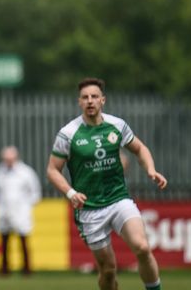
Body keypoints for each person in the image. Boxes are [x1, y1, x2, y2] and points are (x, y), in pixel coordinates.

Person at [46, 77, 168, 290]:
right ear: (79, 102)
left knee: (142, 247)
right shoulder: (68, 134)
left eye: (94, 97)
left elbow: (140, 149)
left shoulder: (117, 125)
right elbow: (52, 170)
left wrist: (150, 169)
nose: (90, 101)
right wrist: (70, 192)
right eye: (85, 97)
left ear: (103, 100)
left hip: (118, 199)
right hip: (89, 209)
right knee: (109, 270)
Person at [0, 145, 41, 276]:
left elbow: (35, 192)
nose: (9, 161)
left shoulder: (26, 173)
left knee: (23, 240)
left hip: (21, 212)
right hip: (4, 211)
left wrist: (26, 206)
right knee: (5, 242)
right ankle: (4, 269)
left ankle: (27, 269)